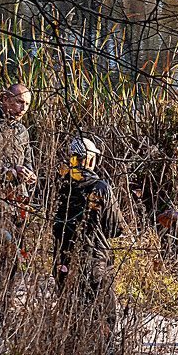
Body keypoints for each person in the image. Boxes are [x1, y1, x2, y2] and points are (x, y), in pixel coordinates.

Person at [51, 137, 127, 335]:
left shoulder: (58, 185)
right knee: (106, 313)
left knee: (70, 310)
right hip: (96, 260)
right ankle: (104, 353)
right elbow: (114, 229)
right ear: (90, 159)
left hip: (62, 256)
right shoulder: (101, 188)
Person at [0, 83, 38, 306]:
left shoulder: (21, 130)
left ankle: (6, 299)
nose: (23, 108)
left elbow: (28, 159)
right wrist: (8, 173)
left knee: (15, 254)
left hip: (19, 200)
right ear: (5, 99)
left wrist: (30, 173)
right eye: (19, 101)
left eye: (27, 104)